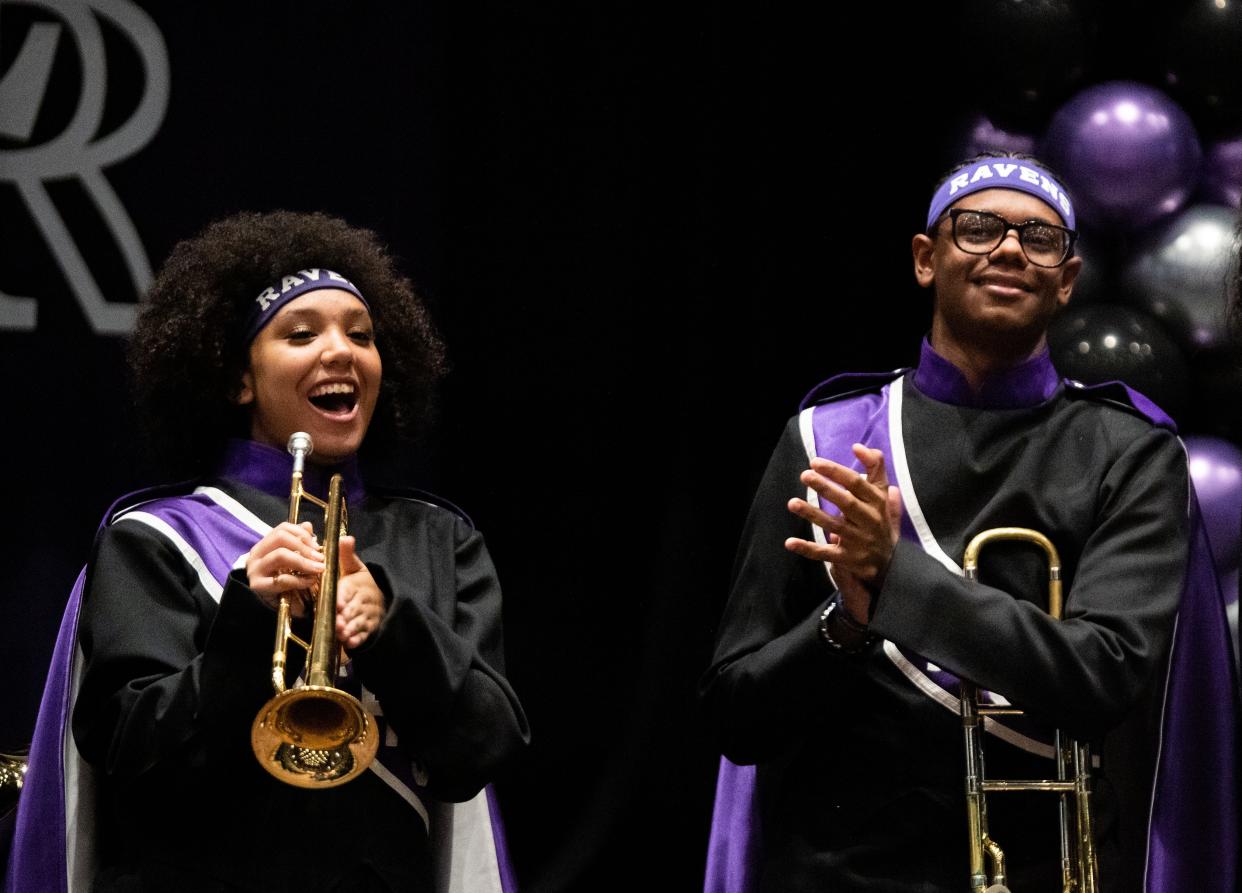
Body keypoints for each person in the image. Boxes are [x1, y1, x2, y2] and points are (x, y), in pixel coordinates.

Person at [700, 155, 1239, 892]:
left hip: (1045, 872)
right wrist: (847, 623)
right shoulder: (828, 438)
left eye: (1039, 238)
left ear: (1068, 280)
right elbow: (737, 716)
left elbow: (1104, 674)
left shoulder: (1132, 450)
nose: (1010, 249)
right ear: (927, 259)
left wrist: (896, 578)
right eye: (978, 229)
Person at [6, 211, 529, 893]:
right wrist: (249, 620)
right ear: (237, 380)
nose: (341, 350)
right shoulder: (157, 536)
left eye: (362, 334)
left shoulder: (440, 538)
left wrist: (393, 628)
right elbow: (127, 751)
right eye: (302, 333)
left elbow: (487, 746)